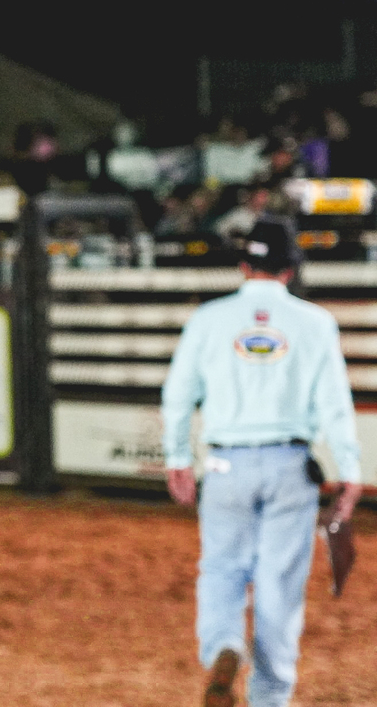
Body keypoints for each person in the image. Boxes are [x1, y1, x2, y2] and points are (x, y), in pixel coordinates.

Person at [161, 218, 364, 707]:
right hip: (290, 466)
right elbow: (334, 405)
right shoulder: (315, 323)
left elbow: (178, 394)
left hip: (226, 466)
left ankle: (224, 645)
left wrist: (177, 457)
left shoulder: (208, 319)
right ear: (290, 269)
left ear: (243, 265)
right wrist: (350, 471)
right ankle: (269, 697)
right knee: (279, 585)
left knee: (222, 569)